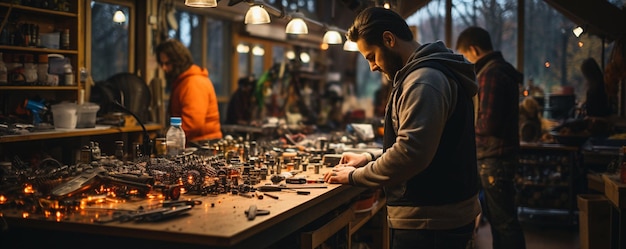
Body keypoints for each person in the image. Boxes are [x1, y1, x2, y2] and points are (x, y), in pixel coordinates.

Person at [324, 7, 481, 249]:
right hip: (436, 218)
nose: (372, 67)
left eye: (371, 56)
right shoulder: (423, 75)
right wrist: (368, 158)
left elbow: (411, 154)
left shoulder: (424, 81)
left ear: (389, 39)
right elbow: (423, 143)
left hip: (431, 223)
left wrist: (355, 176)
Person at [456, 26, 526, 249]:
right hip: (499, 158)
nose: (466, 61)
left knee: (504, 223)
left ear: (474, 50)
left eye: (465, 55)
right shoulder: (500, 70)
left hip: (495, 160)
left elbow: (488, 123)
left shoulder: (490, 74)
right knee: (501, 222)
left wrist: (461, 126)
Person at [155, 39, 222, 143]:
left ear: (178, 61)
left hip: (202, 144)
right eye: (162, 64)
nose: (164, 68)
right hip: (198, 142)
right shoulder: (184, 81)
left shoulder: (193, 82)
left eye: (168, 63)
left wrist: (169, 138)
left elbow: (193, 124)